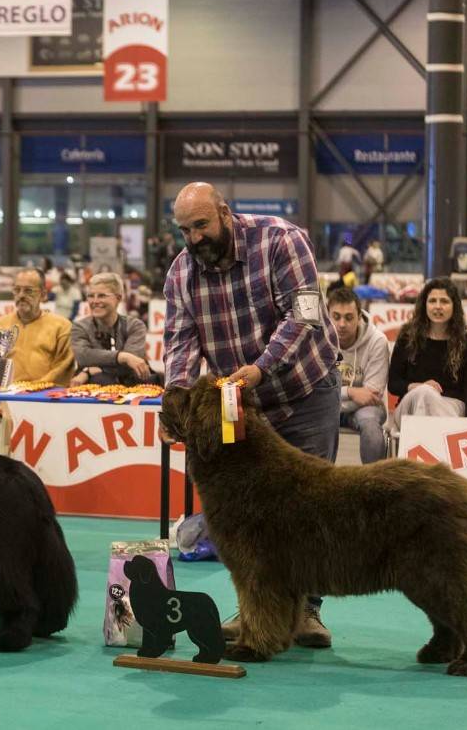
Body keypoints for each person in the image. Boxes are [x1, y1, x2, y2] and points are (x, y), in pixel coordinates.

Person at [163, 182, 340, 648]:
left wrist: (260, 370)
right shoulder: (181, 274)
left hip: (303, 389)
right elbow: (181, 345)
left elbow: (303, 316)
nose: (194, 238)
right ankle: (257, 611)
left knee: (306, 512)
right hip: (237, 406)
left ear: (224, 212)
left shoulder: (281, 240)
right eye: (185, 230)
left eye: (201, 225)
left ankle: (308, 613)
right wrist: (174, 404)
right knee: (246, 519)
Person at [387, 277, 467, 434]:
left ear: (454, 306)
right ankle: (446, 441)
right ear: (424, 304)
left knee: (428, 400)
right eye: (432, 301)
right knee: (425, 394)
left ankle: (419, 453)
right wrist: (418, 387)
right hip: (410, 405)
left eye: (444, 301)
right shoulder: (407, 335)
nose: (438, 307)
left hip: (451, 407)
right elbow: (393, 384)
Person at [326, 286, 389, 463]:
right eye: (336, 317)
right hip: (329, 405)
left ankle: (375, 484)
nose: (342, 324)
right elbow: (316, 390)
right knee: (307, 420)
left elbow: (371, 395)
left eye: (349, 317)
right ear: (327, 316)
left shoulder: (377, 341)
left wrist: (334, 395)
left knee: (371, 427)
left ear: (359, 317)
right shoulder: (318, 338)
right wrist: (352, 392)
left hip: (364, 409)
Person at [0, 268, 75, 387]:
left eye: (28, 291)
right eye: (17, 290)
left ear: (43, 295)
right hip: (5, 395)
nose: (21, 295)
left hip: (44, 396)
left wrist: (35, 387)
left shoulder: (62, 326)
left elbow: (63, 366)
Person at [70, 272, 151, 386]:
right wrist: (122, 356)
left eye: (102, 295)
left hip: (131, 392)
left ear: (118, 298)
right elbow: (84, 356)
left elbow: (130, 365)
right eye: (91, 296)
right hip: (93, 395)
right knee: (100, 379)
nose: (95, 301)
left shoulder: (135, 326)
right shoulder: (79, 327)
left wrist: (87, 372)